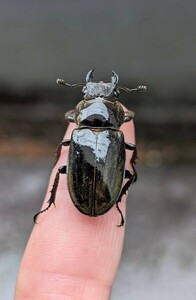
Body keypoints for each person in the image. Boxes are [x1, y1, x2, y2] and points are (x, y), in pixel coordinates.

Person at [15, 119, 135, 300]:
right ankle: (52, 204)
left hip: (93, 195)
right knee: (129, 174)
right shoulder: (116, 137)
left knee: (61, 170)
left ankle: (50, 204)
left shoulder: (79, 135)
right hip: (104, 196)